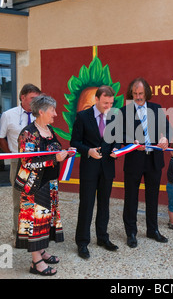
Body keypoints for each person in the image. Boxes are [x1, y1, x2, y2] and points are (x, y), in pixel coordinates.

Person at [14, 94, 73, 276]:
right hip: (35, 186)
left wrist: (65, 154)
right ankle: (36, 263)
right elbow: (27, 161)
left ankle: (41, 251)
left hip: (50, 183)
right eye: (52, 110)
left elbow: (53, 152)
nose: (55, 114)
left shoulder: (48, 129)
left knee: (46, 220)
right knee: (35, 222)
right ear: (41, 111)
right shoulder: (28, 133)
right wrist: (53, 158)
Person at [119, 77, 172, 248]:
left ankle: (153, 230)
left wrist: (165, 138)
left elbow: (167, 129)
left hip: (154, 160)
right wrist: (131, 142)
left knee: (152, 197)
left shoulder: (156, 108)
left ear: (146, 93)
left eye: (141, 93)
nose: (138, 96)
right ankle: (131, 233)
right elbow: (119, 135)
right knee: (131, 198)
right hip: (134, 160)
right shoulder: (124, 111)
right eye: (135, 93)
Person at [70, 86, 120, 259]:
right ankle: (82, 242)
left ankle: (102, 237)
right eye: (105, 102)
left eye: (111, 103)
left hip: (108, 167)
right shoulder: (83, 116)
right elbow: (75, 142)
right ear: (97, 99)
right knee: (87, 205)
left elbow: (118, 140)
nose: (108, 106)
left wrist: (117, 149)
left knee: (104, 204)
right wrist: (88, 151)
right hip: (89, 167)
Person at [0, 83, 41, 237]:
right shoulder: (8, 115)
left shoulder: (41, 114)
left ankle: (36, 232)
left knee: (38, 199)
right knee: (19, 200)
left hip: (38, 162)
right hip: (19, 162)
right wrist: (10, 153)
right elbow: (0, 137)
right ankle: (18, 233)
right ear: (23, 97)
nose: (36, 102)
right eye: (32, 98)